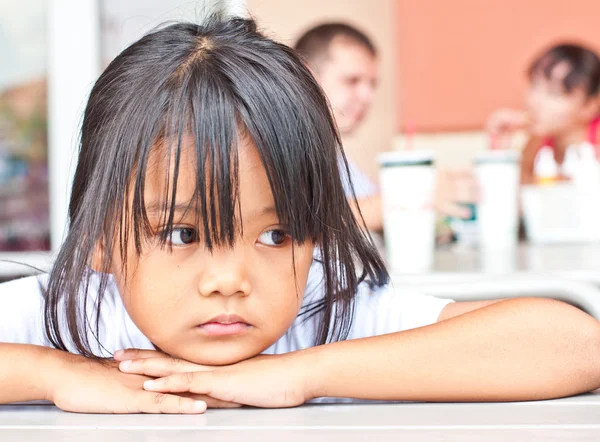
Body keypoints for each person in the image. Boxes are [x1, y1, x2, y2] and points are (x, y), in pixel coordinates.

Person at [1, 16, 599, 414]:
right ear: (100, 237)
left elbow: (576, 345)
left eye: (276, 232)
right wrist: (53, 376)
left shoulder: (326, 310)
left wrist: (302, 373)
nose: (230, 280)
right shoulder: (68, 315)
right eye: (182, 232)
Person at [294, 23, 476, 231]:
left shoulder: (334, 155)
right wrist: (420, 194)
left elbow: (368, 204)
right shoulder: (286, 143)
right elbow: (311, 218)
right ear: (306, 76)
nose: (367, 96)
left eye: (372, 84)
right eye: (352, 80)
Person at [487, 43, 600, 185]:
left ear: (589, 106)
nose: (534, 101)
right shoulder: (538, 142)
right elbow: (523, 196)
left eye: (554, 92)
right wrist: (500, 152)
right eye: (534, 85)